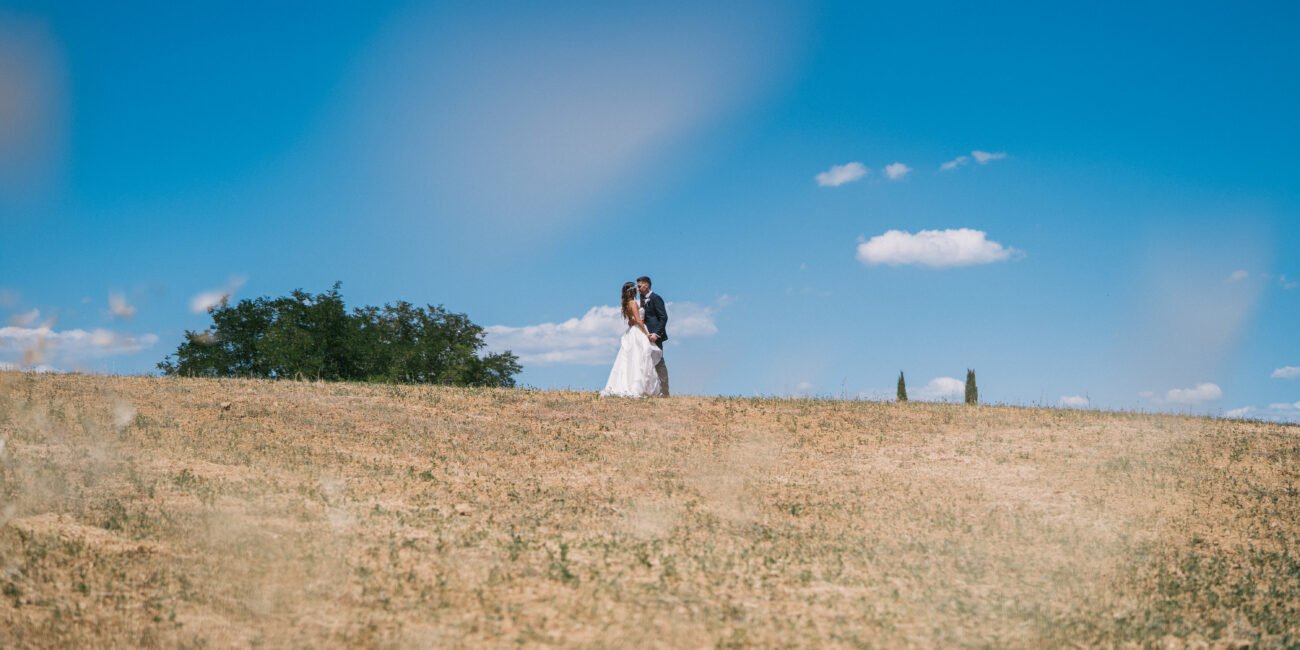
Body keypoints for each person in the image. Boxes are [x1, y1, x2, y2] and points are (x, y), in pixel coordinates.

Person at [599, 282, 663, 398]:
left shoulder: (626, 304)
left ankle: (631, 383)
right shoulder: (633, 303)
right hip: (638, 331)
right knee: (640, 358)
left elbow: (631, 321)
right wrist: (647, 333)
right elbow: (638, 320)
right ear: (633, 291)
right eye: (636, 288)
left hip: (632, 331)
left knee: (631, 358)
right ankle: (638, 387)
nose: (638, 290)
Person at [636, 276, 669, 397]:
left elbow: (663, 317)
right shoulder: (641, 299)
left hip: (654, 336)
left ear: (647, 285)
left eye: (639, 286)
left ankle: (665, 391)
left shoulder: (656, 298)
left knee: (659, 362)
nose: (638, 289)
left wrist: (656, 334)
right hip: (644, 335)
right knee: (645, 361)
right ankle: (650, 389)